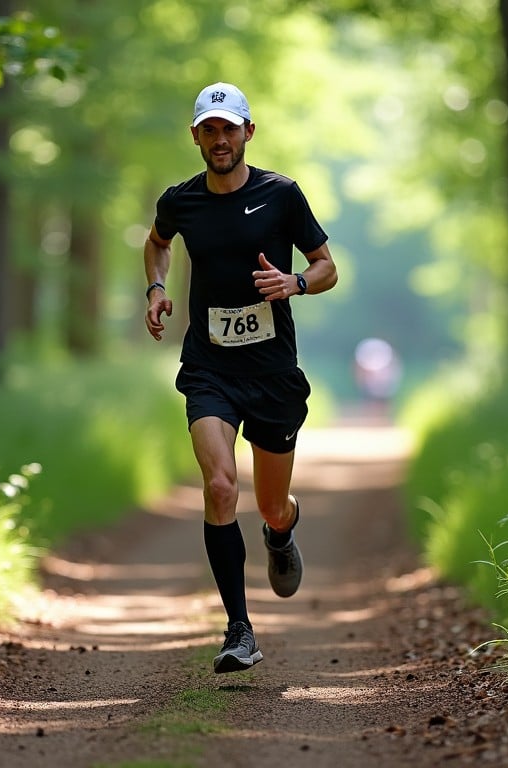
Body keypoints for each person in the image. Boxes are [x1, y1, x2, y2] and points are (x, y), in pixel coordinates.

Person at [143, 82, 338, 674]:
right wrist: (155, 288)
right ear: (196, 136)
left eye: (230, 128)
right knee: (222, 486)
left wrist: (294, 283)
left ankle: (281, 533)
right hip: (210, 368)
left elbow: (327, 266)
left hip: (272, 371)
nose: (220, 139)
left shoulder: (281, 195)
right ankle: (239, 630)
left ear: (248, 133)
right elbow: (157, 245)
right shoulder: (181, 201)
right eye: (210, 129)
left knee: (271, 505)